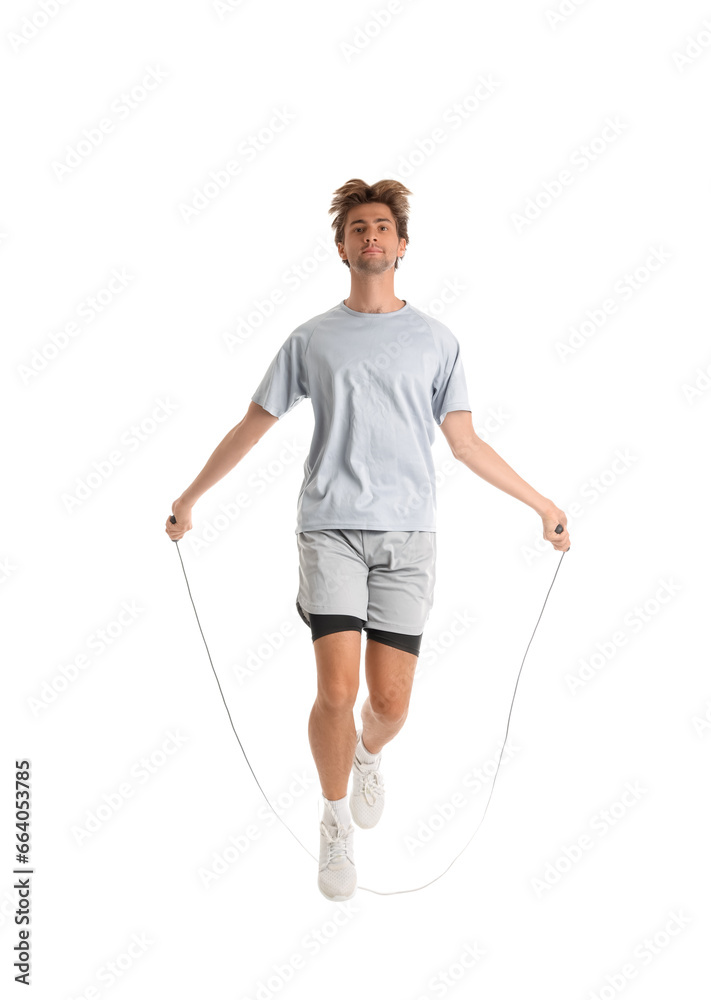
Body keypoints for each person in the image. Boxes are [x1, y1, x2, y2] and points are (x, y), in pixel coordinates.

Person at [165, 178, 571, 903]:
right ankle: (332, 822)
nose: (371, 237)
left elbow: (466, 443)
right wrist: (191, 496)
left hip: (410, 537)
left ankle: (366, 756)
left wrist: (540, 504)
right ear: (342, 246)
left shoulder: (437, 341)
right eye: (358, 228)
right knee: (336, 688)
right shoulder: (311, 339)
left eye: (382, 226)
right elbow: (253, 424)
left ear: (403, 244)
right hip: (329, 530)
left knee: (387, 704)